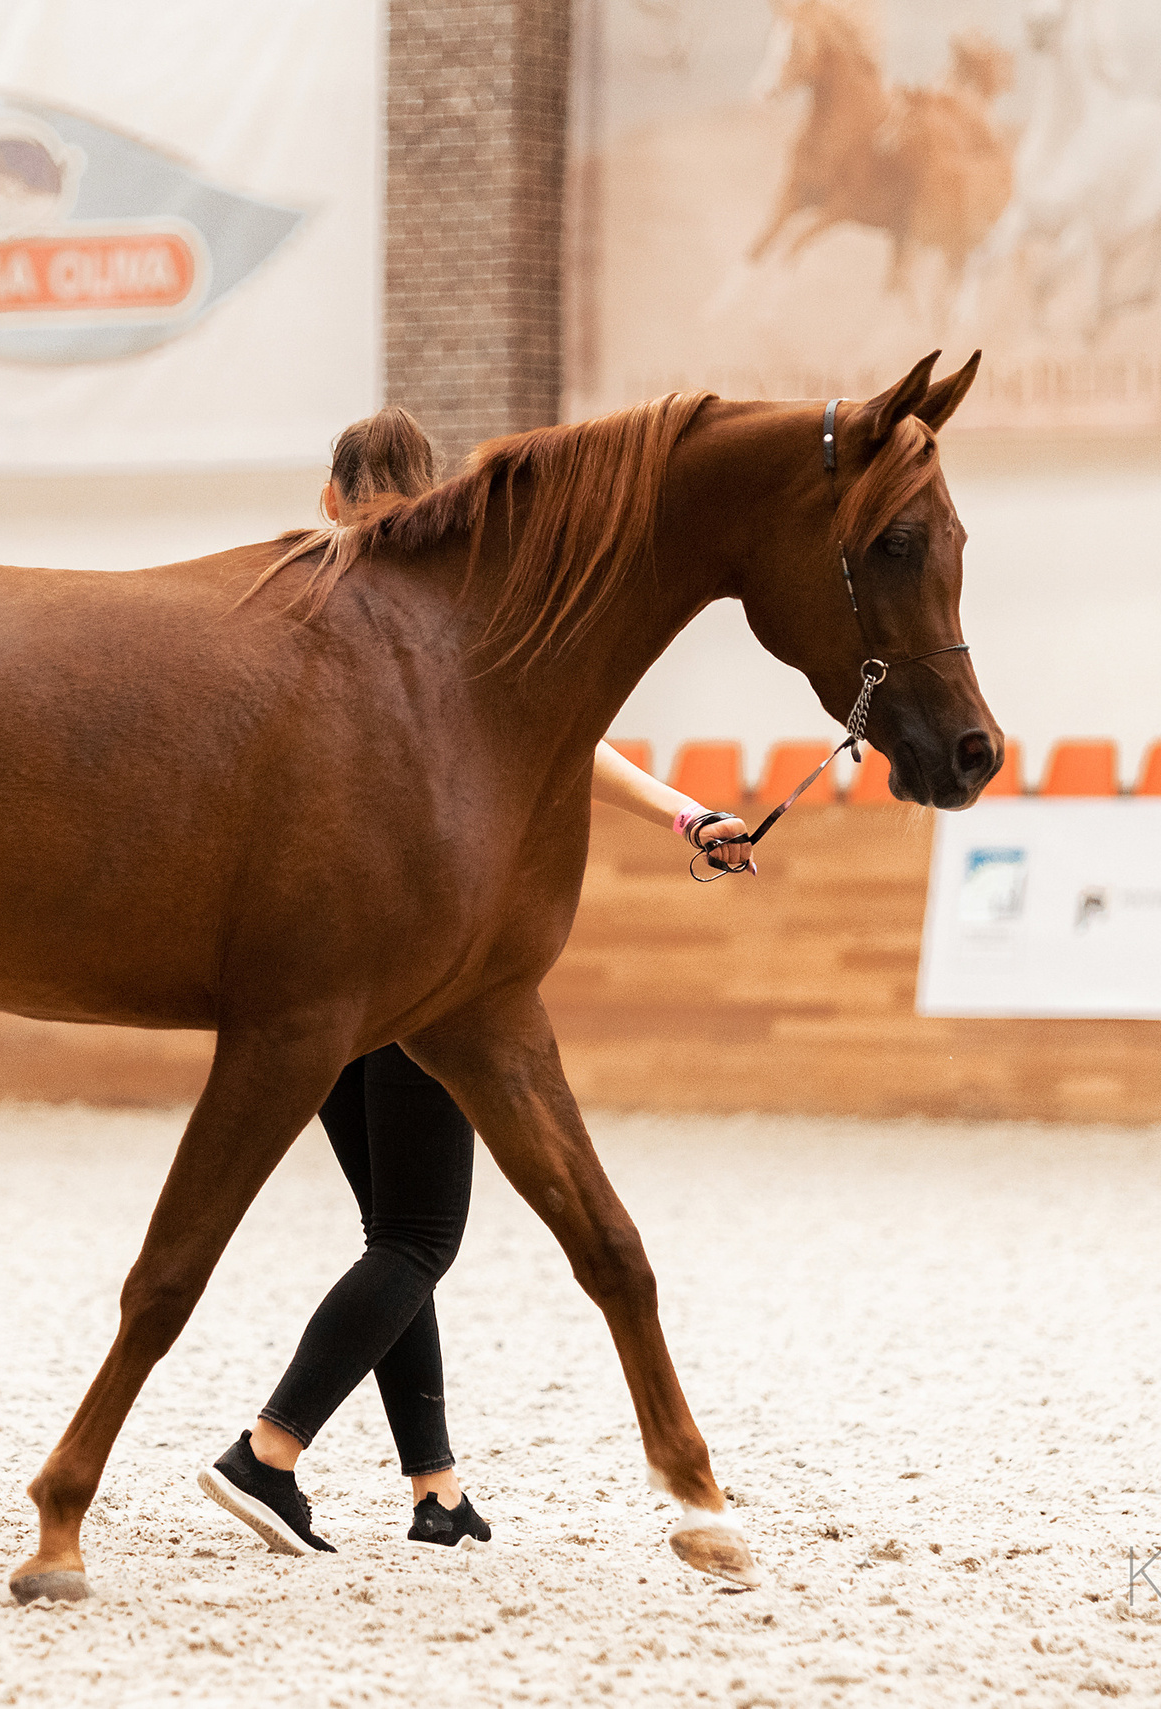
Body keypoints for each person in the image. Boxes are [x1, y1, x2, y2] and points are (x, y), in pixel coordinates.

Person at [197, 407, 751, 1555]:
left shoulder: (300, 605)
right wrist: (688, 814)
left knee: (392, 1231)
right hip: (426, 959)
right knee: (417, 1234)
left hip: (321, 971)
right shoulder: (451, 612)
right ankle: (270, 1448)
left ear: (334, 494)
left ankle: (433, 1487)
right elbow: (569, 745)